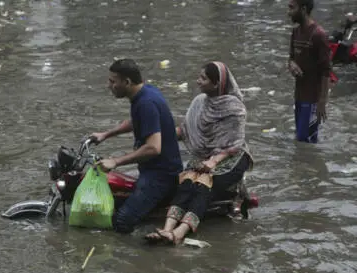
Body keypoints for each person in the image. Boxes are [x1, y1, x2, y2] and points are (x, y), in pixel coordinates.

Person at [145, 61, 253, 245]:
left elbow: (234, 144)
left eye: (203, 78)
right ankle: (167, 229)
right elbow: (186, 130)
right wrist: (159, 139)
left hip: (231, 158)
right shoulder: (199, 102)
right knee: (186, 181)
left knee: (203, 186)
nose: (198, 81)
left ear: (216, 84)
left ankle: (179, 233)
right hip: (204, 156)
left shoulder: (235, 109)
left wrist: (214, 161)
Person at [92, 58, 183, 234]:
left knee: (122, 220)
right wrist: (105, 135)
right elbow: (135, 121)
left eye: (112, 81)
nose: (108, 85)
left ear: (126, 82)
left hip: (160, 176)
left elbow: (153, 148)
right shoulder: (144, 93)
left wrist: (116, 161)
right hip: (151, 170)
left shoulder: (146, 103)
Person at [287, 0, 330, 143]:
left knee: (306, 142)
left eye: (292, 8)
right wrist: (291, 65)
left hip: (312, 100)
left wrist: (322, 101)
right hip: (298, 96)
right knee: (300, 140)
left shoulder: (319, 35)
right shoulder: (296, 32)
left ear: (303, 9)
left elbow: (326, 71)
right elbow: (291, 58)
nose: (289, 12)